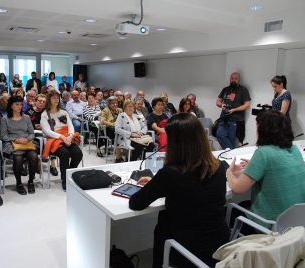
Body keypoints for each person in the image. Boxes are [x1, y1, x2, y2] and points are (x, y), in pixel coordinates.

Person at [129, 113, 230, 268]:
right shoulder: (217, 166)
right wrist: (159, 184)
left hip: (189, 250)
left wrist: (158, 184)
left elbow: (136, 203)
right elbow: (193, 190)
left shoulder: (171, 173)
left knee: (163, 221)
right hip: (220, 245)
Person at [227, 109, 305, 229]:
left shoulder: (263, 153)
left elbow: (237, 188)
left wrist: (229, 172)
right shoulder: (294, 150)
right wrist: (255, 167)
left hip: (271, 225)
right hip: (296, 222)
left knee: (230, 210)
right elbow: (276, 169)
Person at [41, 90, 83, 191]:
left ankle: (70, 174)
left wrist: (70, 136)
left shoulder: (63, 112)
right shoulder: (45, 115)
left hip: (67, 138)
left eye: (57, 98)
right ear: (49, 100)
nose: (56, 100)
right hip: (54, 140)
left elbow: (70, 126)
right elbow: (46, 131)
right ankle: (65, 180)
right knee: (64, 154)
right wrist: (61, 137)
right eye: (53, 98)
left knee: (78, 153)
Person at [0, 95, 39, 195]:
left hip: (26, 142)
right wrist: (16, 139)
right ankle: (19, 183)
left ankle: (30, 181)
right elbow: (4, 136)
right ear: (11, 106)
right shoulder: (5, 119)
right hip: (12, 143)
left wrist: (26, 139)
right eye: (16, 104)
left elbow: (31, 133)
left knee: (33, 155)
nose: (19, 106)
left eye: (21, 104)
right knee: (18, 157)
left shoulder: (26, 117)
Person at [216, 72, 251, 149]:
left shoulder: (243, 90)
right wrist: (222, 105)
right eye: (232, 78)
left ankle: (230, 156)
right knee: (219, 134)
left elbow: (247, 105)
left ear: (239, 79)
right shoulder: (225, 89)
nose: (233, 80)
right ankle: (231, 152)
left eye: (235, 78)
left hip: (235, 119)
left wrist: (234, 110)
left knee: (231, 140)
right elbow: (217, 101)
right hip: (223, 118)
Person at [101, 96, 123, 162]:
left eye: (116, 103)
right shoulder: (105, 110)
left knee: (125, 135)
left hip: (118, 129)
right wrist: (112, 124)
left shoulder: (120, 110)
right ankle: (118, 157)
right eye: (113, 103)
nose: (115, 104)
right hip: (107, 129)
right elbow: (102, 121)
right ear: (109, 104)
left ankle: (125, 156)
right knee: (118, 136)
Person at [83, 93, 103, 157]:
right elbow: (88, 117)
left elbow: (101, 115)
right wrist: (96, 118)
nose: (91, 99)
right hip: (89, 123)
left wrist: (98, 118)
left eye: (92, 98)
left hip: (98, 122)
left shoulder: (97, 106)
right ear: (87, 100)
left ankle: (105, 147)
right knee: (97, 130)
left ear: (94, 99)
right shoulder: (85, 107)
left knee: (105, 128)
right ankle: (98, 149)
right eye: (89, 98)